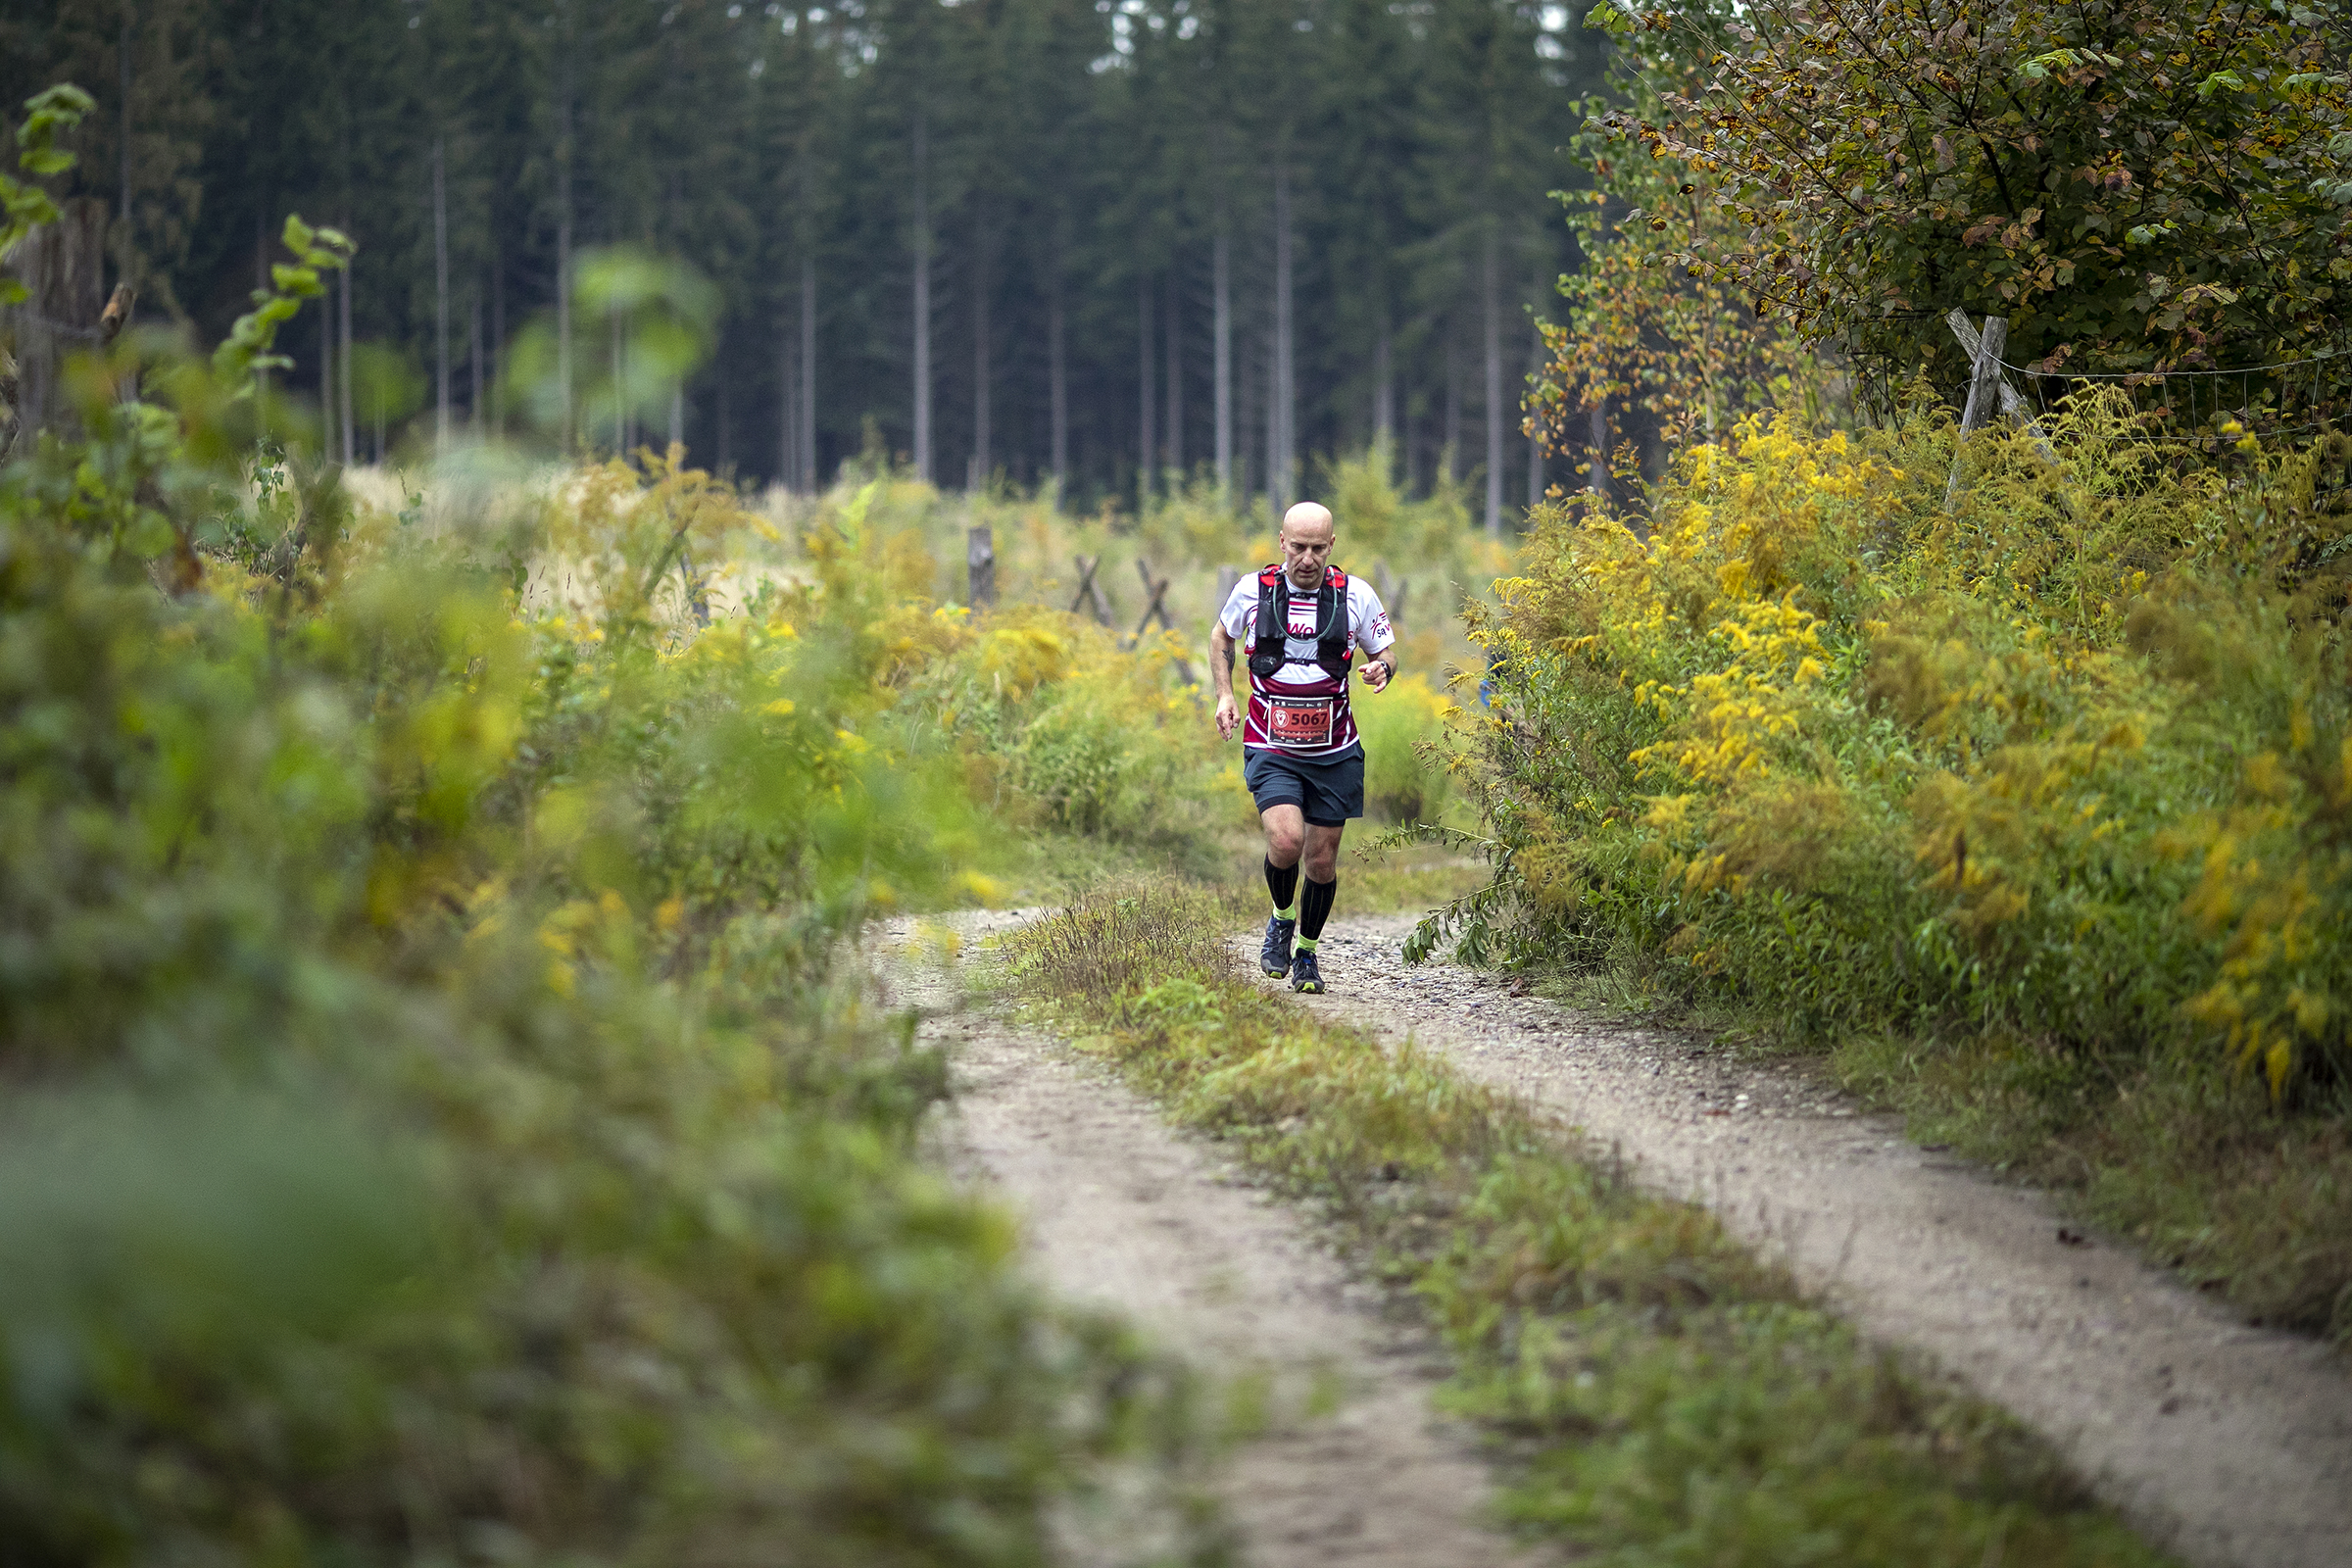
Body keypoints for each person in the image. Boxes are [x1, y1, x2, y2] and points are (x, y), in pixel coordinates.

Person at [1208, 501, 1398, 994]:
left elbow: (1386, 651)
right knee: (1287, 841)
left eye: (1317, 548)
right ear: (1282, 543)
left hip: (1335, 751)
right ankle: (1280, 916)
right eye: (1298, 547)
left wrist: (1383, 669)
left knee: (1320, 861)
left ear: (1331, 546)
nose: (1307, 558)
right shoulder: (1253, 590)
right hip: (1271, 744)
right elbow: (1221, 638)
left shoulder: (1355, 595)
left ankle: (1308, 953)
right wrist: (1226, 695)